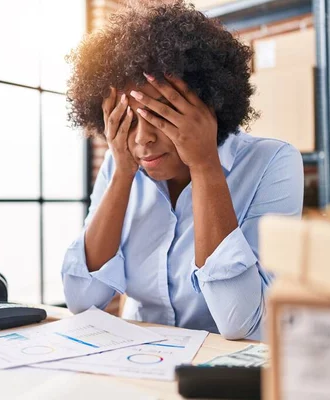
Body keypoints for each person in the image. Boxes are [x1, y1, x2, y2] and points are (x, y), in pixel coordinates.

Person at [60, 1, 304, 340]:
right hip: (140, 364)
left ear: (208, 104)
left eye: (159, 117)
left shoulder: (272, 163)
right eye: (129, 121)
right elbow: (82, 301)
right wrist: (122, 174)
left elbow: (242, 322)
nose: (143, 139)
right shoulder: (122, 162)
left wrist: (205, 165)